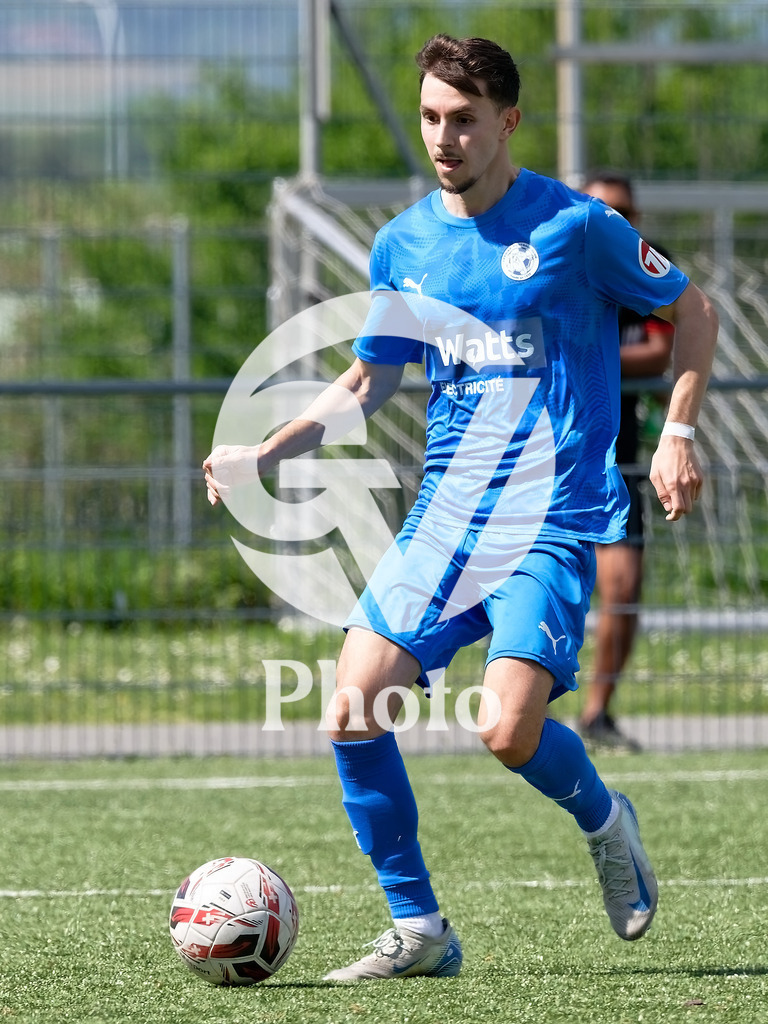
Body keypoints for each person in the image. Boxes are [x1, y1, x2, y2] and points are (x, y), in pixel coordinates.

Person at [204, 34, 718, 982]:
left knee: (507, 732)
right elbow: (366, 381)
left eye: (465, 119)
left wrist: (678, 433)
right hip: (446, 521)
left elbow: (692, 311)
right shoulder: (403, 243)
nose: (444, 137)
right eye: (433, 117)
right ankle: (421, 932)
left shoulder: (577, 227)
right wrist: (266, 450)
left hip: (552, 522)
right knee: (353, 706)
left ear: (508, 122)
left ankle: (607, 820)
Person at [578, 171, 676, 752]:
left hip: (621, 463)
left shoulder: (651, 269)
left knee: (623, 587)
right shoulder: (556, 266)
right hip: (549, 459)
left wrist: (585, 353)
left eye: (624, 211)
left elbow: (662, 350)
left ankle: (597, 713)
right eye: (601, 208)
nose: (614, 220)